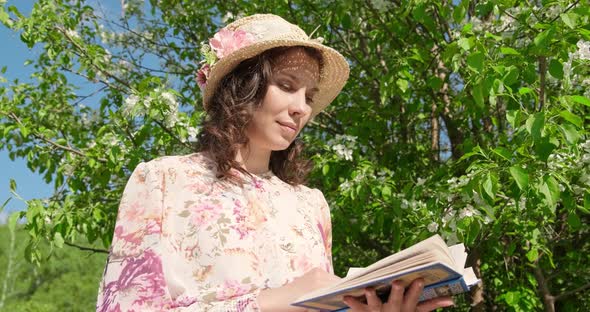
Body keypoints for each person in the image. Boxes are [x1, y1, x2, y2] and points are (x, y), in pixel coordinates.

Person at [96, 14, 454, 312]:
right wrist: (275, 301)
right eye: (286, 85)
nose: (302, 107)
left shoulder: (310, 204)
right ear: (242, 86)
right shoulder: (162, 180)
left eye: (309, 96)